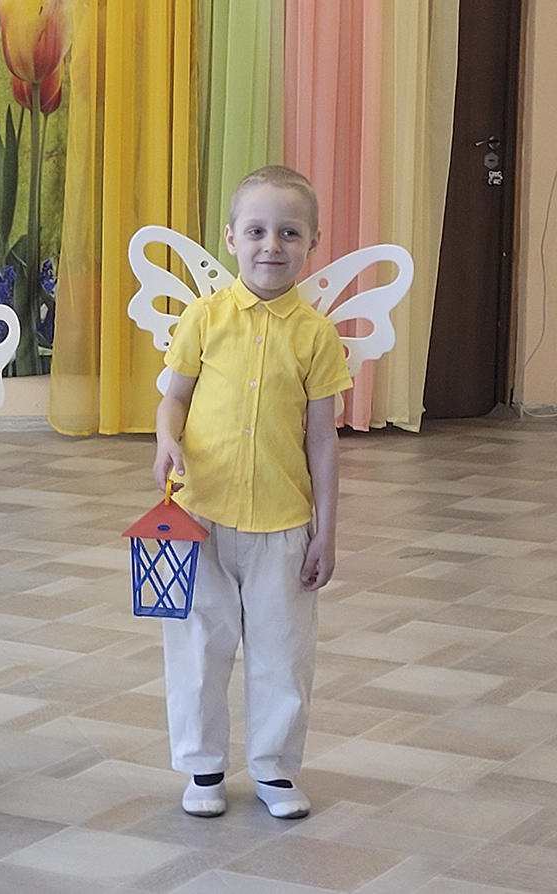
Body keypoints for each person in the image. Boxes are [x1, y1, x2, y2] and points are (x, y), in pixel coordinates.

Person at [152, 165, 352, 820]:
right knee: (198, 647)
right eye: (258, 230)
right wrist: (167, 440)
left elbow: (322, 439)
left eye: (289, 232)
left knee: (283, 654)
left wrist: (326, 529)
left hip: (282, 524)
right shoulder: (204, 318)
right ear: (232, 238)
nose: (272, 245)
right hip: (198, 516)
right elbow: (174, 399)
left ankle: (275, 769)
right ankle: (203, 765)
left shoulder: (316, 337)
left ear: (313, 242)